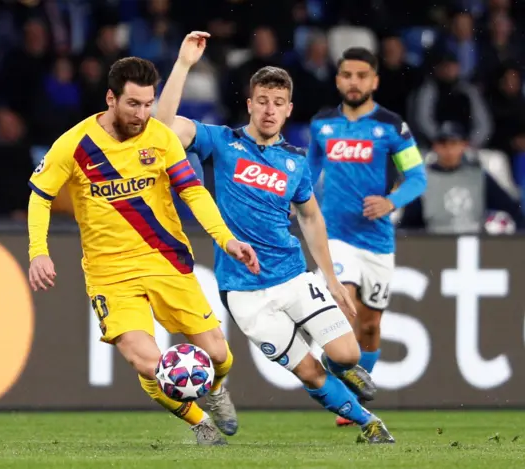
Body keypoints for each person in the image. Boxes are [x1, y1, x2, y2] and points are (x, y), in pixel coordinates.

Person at [157, 32, 394, 444]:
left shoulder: (295, 162)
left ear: (288, 110)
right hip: (245, 292)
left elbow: (311, 219)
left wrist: (332, 280)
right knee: (308, 371)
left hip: (292, 276)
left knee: (347, 355)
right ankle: (368, 423)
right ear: (250, 104)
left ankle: (344, 369)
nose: (269, 110)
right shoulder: (222, 142)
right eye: (262, 101)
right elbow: (161, 129)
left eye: (277, 103)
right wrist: (183, 66)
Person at [27, 56, 259, 446]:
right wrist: (38, 251)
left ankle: (216, 391)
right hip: (110, 274)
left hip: (165, 260)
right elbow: (41, 196)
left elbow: (192, 191)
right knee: (147, 363)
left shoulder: (160, 137)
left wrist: (226, 238)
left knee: (219, 354)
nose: (142, 113)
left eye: (149, 103)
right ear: (110, 99)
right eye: (133, 104)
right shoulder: (75, 143)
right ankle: (200, 423)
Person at [308, 47, 427, 426]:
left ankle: (357, 394)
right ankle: (344, 395)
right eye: (347, 74)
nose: (354, 82)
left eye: (362, 75)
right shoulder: (321, 125)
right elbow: (307, 178)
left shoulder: (392, 127)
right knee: (346, 305)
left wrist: (390, 203)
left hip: (377, 241)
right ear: (338, 79)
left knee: (371, 325)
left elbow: (418, 178)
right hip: (335, 236)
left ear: (374, 81)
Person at [399, 121, 525, 233]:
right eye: (443, 144)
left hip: (474, 244)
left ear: (464, 145)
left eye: (453, 143)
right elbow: (408, 226)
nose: (448, 150)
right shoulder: (422, 182)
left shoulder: (478, 177)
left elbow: (513, 209)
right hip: (436, 246)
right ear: (435, 147)